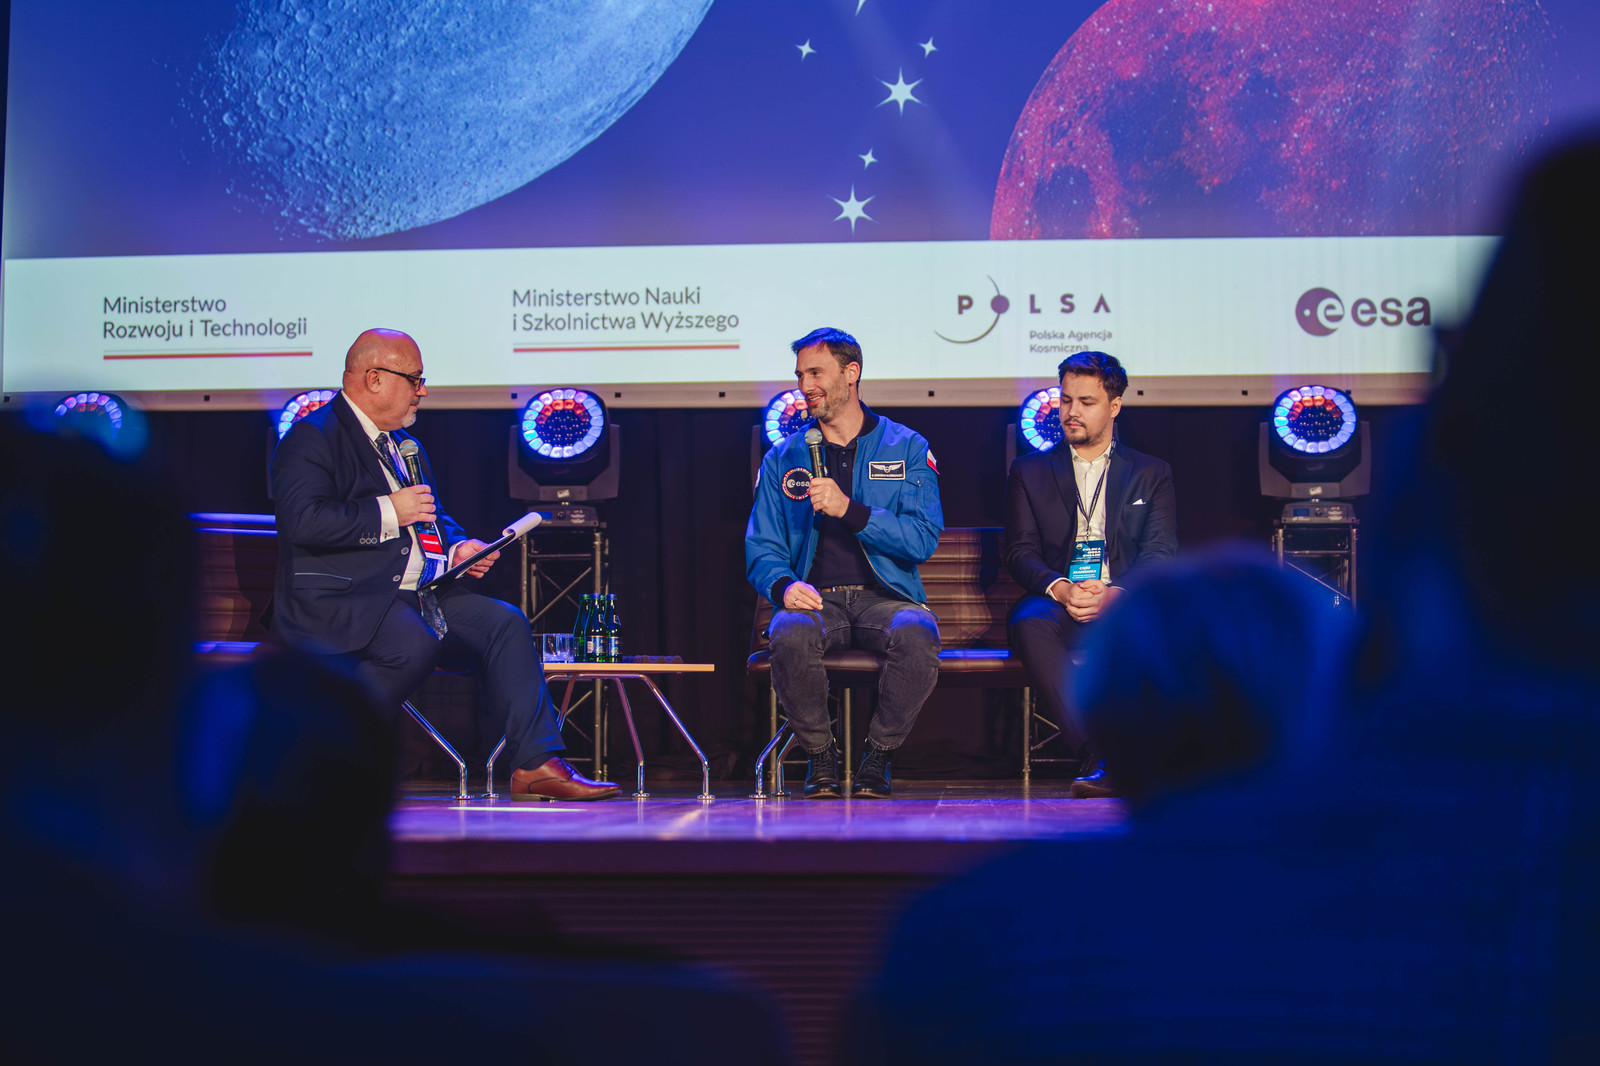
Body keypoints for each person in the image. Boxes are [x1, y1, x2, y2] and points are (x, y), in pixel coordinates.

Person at [270, 327, 618, 800]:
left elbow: (430, 514)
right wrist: (389, 510)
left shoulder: (402, 444)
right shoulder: (312, 437)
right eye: (415, 379)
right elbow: (303, 521)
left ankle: (536, 765)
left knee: (504, 623)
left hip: (414, 594)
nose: (423, 391)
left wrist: (457, 549)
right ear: (374, 378)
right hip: (347, 597)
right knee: (412, 643)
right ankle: (320, 757)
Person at [746, 327, 943, 798]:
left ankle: (878, 757)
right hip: (818, 600)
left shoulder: (907, 446)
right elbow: (763, 547)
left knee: (918, 632)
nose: (805, 385)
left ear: (851, 373)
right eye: (800, 375)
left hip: (886, 598)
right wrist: (783, 586)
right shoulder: (784, 457)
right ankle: (820, 757)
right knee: (789, 631)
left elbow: (922, 538)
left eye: (817, 373)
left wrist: (851, 511)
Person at [1003, 350, 1176, 794]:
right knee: (1027, 622)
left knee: (1166, 622)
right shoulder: (1029, 471)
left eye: (1086, 402)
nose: (1071, 412)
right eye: (1065, 400)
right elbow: (1020, 552)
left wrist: (1115, 594)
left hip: (1122, 600)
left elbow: (1159, 553)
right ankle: (1100, 754)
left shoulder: (1151, 472)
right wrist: (1061, 589)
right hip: (1059, 600)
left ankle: (1174, 757)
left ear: (1114, 406)